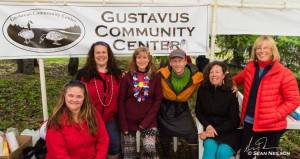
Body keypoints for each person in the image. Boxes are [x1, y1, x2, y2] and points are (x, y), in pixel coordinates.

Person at [232, 36, 300, 159]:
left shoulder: (284, 73)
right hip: (249, 122)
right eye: (258, 48)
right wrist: (233, 85)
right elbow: (234, 80)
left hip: (272, 126)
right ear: (254, 51)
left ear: (272, 50)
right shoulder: (250, 68)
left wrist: (275, 115)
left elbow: (294, 100)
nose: (261, 51)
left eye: (265, 48)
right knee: (246, 155)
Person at [76, 41, 122, 159]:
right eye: (97, 52)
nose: (101, 55)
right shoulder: (83, 74)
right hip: (88, 119)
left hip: (110, 120)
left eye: (104, 52)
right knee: (89, 148)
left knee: (114, 146)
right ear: (93, 55)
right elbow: (74, 95)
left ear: (108, 55)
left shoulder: (117, 73)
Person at [157, 48, 203, 159]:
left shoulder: (197, 76)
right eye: (174, 61)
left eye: (180, 60)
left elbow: (212, 81)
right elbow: (145, 80)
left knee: (192, 134)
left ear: (185, 61)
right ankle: (166, 156)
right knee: (164, 135)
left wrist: (231, 83)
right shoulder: (161, 74)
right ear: (170, 63)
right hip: (164, 108)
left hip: (182, 109)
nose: (177, 64)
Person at [46, 80, 109, 159]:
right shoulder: (55, 121)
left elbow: (103, 139)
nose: (74, 100)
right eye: (71, 96)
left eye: (79, 96)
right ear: (64, 96)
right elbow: (59, 154)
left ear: (84, 98)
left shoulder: (93, 114)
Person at [118, 47, 162, 159]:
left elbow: (157, 100)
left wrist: (146, 122)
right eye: (139, 57)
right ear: (135, 59)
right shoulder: (127, 77)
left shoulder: (155, 76)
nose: (142, 60)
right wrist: (123, 124)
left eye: (144, 57)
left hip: (149, 121)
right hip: (128, 121)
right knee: (129, 154)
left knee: (150, 150)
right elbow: (121, 101)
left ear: (149, 59)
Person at [195, 61, 240, 159]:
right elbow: (198, 111)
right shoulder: (202, 89)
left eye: (217, 72)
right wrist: (207, 126)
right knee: (209, 147)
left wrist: (212, 131)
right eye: (211, 72)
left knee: (222, 152)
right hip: (210, 129)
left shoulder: (230, 92)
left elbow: (234, 121)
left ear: (224, 75)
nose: (214, 75)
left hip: (229, 132)